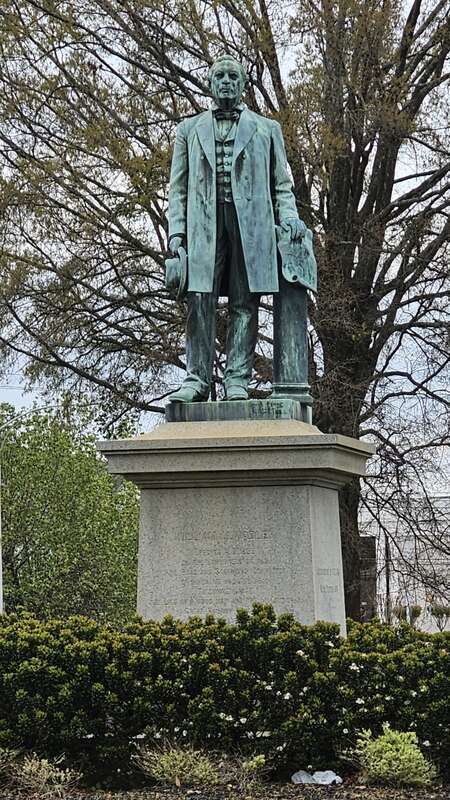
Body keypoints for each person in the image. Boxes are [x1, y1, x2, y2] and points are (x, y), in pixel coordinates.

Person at [167, 54, 306, 402]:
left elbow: (281, 185)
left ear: (243, 84)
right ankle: (197, 379)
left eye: (233, 76)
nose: (226, 81)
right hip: (204, 226)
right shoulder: (188, 130)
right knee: (200, 299)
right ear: (211, 83)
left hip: (252, 227)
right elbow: (178, 188)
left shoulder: (267, 129)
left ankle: (237, 379)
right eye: (220, 76)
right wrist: (176, 234)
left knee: (245, 302)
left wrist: (288, 218)